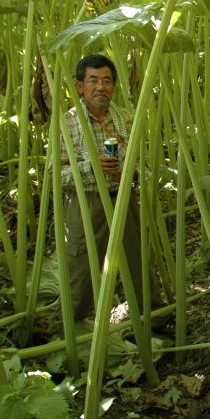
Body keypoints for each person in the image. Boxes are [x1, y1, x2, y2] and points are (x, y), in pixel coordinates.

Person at [61, 53, 162, 328]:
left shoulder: (126, 119)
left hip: (124, 198)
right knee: (81, 267)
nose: (100, 87)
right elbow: (54, 175)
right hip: (87, 202)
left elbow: (145, 164)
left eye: (106, 80)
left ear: (114, 86)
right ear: (80, 86)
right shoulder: (68, 122)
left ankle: (153, 319)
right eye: (92, 80)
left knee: (138, 260)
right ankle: (74, 329)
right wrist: (90, 168)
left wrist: (132, 172)